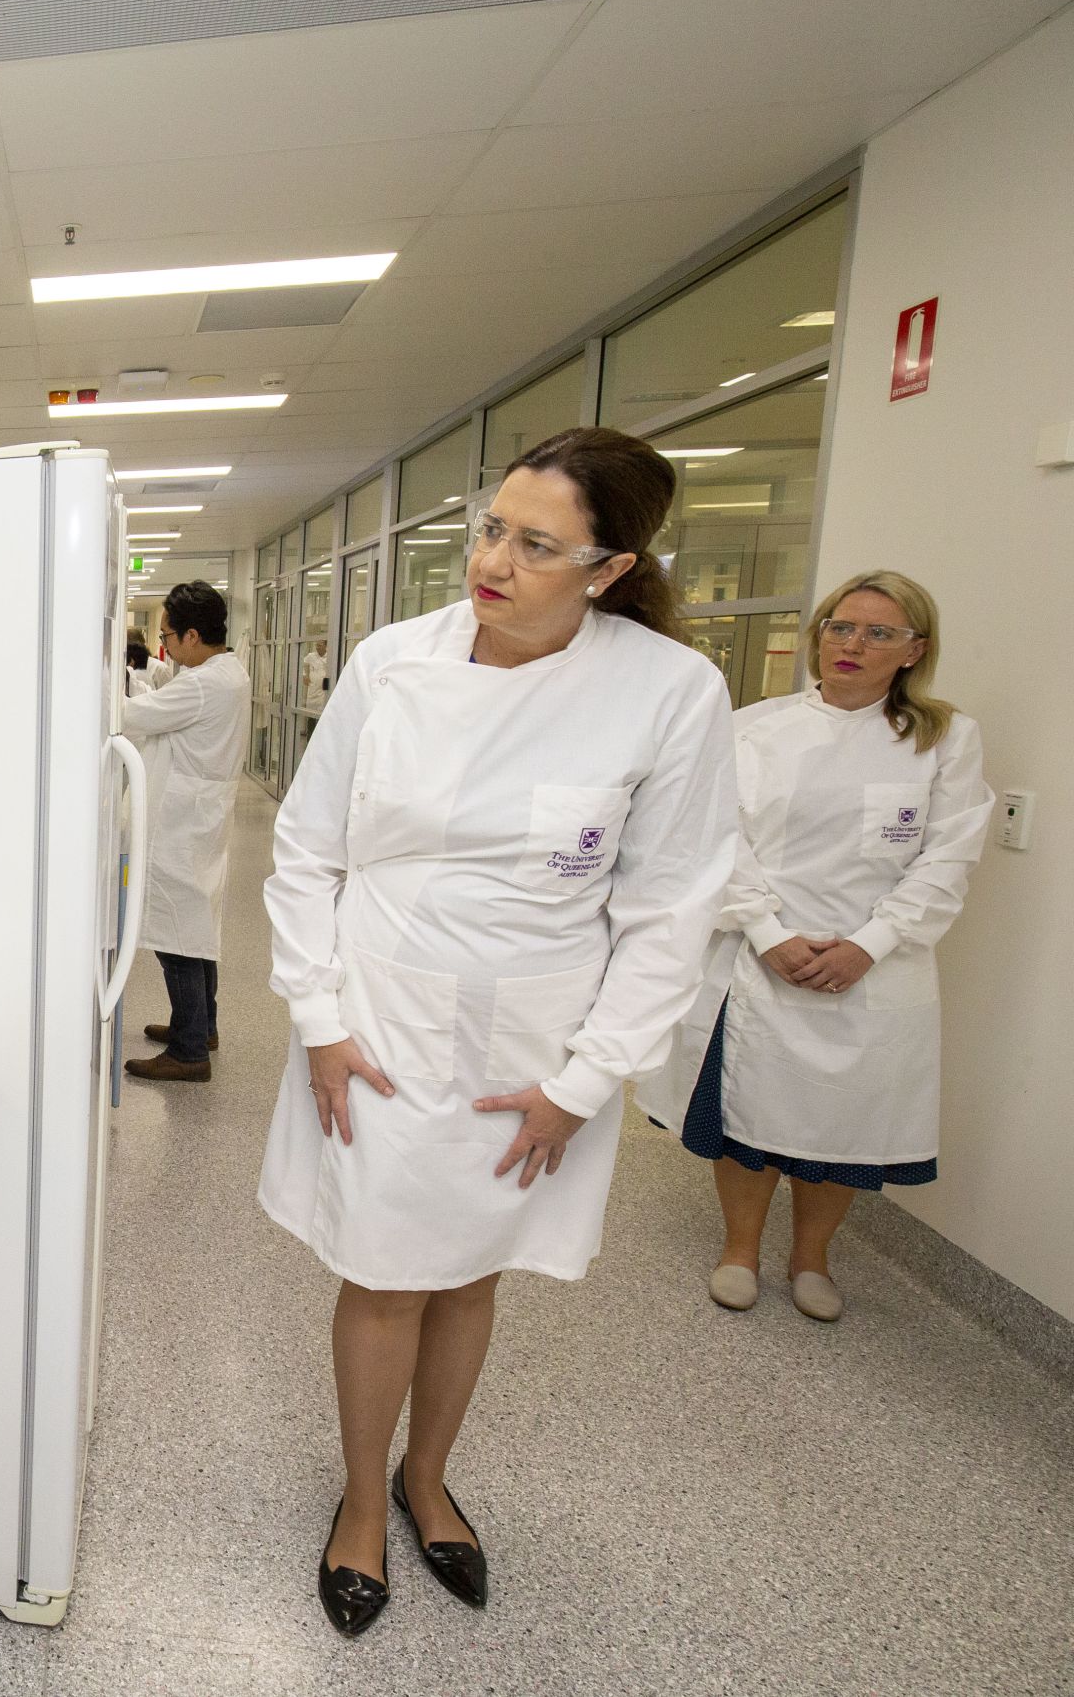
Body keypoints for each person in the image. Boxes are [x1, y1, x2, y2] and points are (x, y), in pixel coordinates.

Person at [257, 428, 734, 1637]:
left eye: (536, 545)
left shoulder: (667, 692)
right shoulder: (393, 661)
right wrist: (317, 1018)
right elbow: (308, 846)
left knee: (468, 1271)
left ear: (609, 568)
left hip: (537, 1040)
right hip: (377, 1019)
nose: (494, 560)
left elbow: (671, 908)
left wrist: (584, 1082)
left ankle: (431, 1480)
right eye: (490, 528)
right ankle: (363, 1501)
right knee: (381, 1271)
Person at [641, 572, 991, 1321]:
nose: (851, 644)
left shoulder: (943, 738)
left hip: (876, 968)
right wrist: (767, 931)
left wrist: (869, 942)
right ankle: (739, 1249)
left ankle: (811, 1259)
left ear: (914, 651)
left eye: (877, 633)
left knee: (846, 1125)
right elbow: (715, 837)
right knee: (746, 1118)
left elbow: (950, 855)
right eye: (839, 626)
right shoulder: (754, 727)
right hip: (764, 954)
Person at [120, 580, 249, 1083]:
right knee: (196, 926)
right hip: (200, 816)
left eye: (169, 637)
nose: (166, 647)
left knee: (177, 935)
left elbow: (134, 716)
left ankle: (190, 1050)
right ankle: (200, 1027)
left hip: (183, 822)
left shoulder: (203, 683)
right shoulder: (227, 671)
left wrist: (113, 686)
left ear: (194, 636)